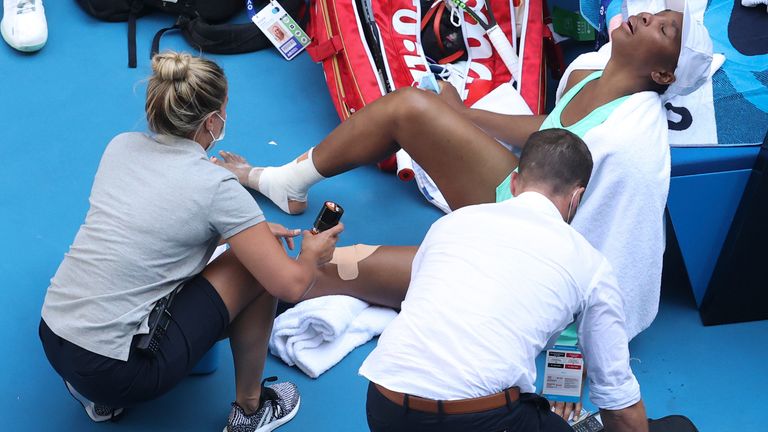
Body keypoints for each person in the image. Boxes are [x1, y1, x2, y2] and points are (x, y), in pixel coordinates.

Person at [213, 4, 713, 343]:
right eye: (656, 13)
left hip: (530, 261)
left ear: (664, 76)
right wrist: (464, 117)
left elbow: (612, 250)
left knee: (336, 269)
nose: (647, 16)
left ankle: (228, 286)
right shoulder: (593, 66)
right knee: (411, 105)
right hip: (517, 192)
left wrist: (570, 350)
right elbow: (552, 128)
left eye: (664, 29)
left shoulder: (631, 145)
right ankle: (285, 181)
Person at [38, 51, 343, 432]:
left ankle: (99, 399)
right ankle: (250, 412)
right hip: (117, 372)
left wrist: (249, 233)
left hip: (53, 336)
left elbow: (157, 219)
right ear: (213, 120)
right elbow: (290, 285)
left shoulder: (121, 145)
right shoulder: (217, 186)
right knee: (260, 269)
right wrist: (312, 255)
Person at [360, 128, 648, 432]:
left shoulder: (451, 223)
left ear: (513, 183)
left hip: (383, 405)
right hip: (478, 421)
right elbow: (620, 405)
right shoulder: (591, 264)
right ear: (577, 197)